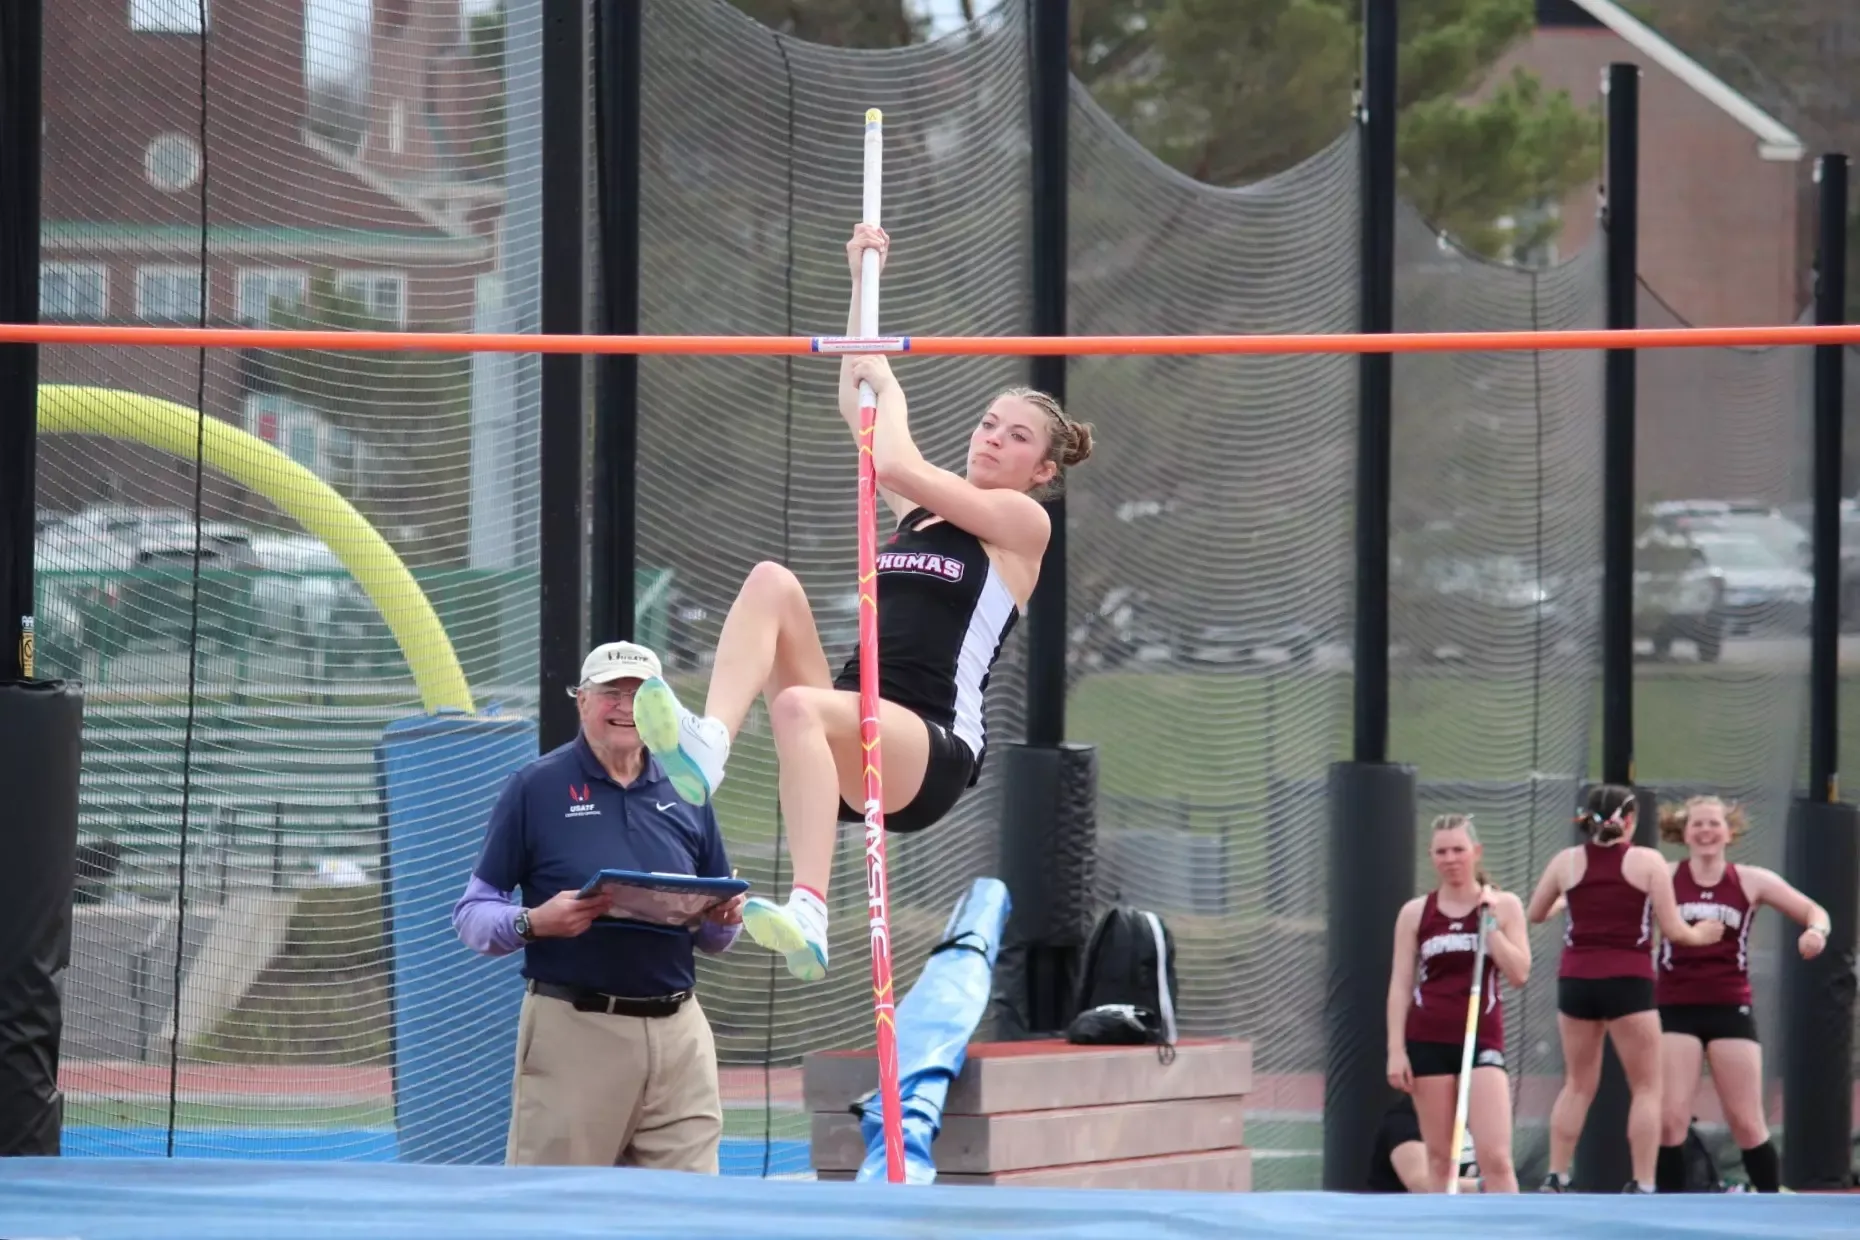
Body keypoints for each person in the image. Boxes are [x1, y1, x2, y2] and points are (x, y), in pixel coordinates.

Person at [631, 221, 1095, 982]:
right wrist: (860, 283)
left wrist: (897, 388)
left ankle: (809, 909)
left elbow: (893, 454)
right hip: (857, 722)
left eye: (1014, 438)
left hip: (930, 750)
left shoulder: (1022, 525)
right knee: (771, 582)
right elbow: (859, 403)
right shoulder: (921, 517)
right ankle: (709, 745)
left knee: (798, 709)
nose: (990, 440)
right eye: (987, 424)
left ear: (1042, 469)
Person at [451, 640, 746, 1171]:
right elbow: (472, 913)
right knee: (556, 1215)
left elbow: (715, 936)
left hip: (681, 1037)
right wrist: (533, 922)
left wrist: (724, 919)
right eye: (612, 692)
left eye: (642, 694)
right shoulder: (535, 787)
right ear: (582, 701)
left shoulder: (689, 789)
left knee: (691, 1217)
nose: (626, 706)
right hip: (575, 1030)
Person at [1526, 784, 1726, 1194]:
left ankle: (1557, 1174)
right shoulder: (1647, 862)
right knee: (1647, 1086)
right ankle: (1644, 1181)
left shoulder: (1566, 863)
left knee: (1578, 1084)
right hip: (1628, 981)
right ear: (1630, 821)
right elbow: (1674, 931)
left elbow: (1535, 913)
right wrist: (1705, 934)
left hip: (1577, 980)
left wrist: (1570, 903)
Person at [1653, 795, 1829, 1193]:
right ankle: (1666, 1213)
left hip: (1729, 1006)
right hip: (1674, 1007)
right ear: (1684, 833)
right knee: (1670, 1120)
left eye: (1713, 823)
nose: (1705, 831)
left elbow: (1815, 911)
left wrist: (1816, 932)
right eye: (1697, 824)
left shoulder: (1751, 880)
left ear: (1729, 832)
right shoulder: (1663, 876)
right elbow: (1617, 901)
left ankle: (1773, 1203)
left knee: (1747, 1122)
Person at [1385, 814, 1530, 1192]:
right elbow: (1400, 985)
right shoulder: (1416, 913)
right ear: (1432, 857)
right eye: (1442, 851)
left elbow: (1519, 974)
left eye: (1459, 850)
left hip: (1481, 1039)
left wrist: (1491, 928)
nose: (1451, 859)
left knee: (1495, 1157)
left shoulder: (1505, 905)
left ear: (1476, 852)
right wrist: (1396, 1051)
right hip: (1428, 1040)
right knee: (1439, 1159)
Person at [1365, 1093, 1482, 1194]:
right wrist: (1484, 1186)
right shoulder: (1405, 1118)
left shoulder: (1485, 1114)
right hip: (1410, 1214)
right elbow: (1420, 1182)